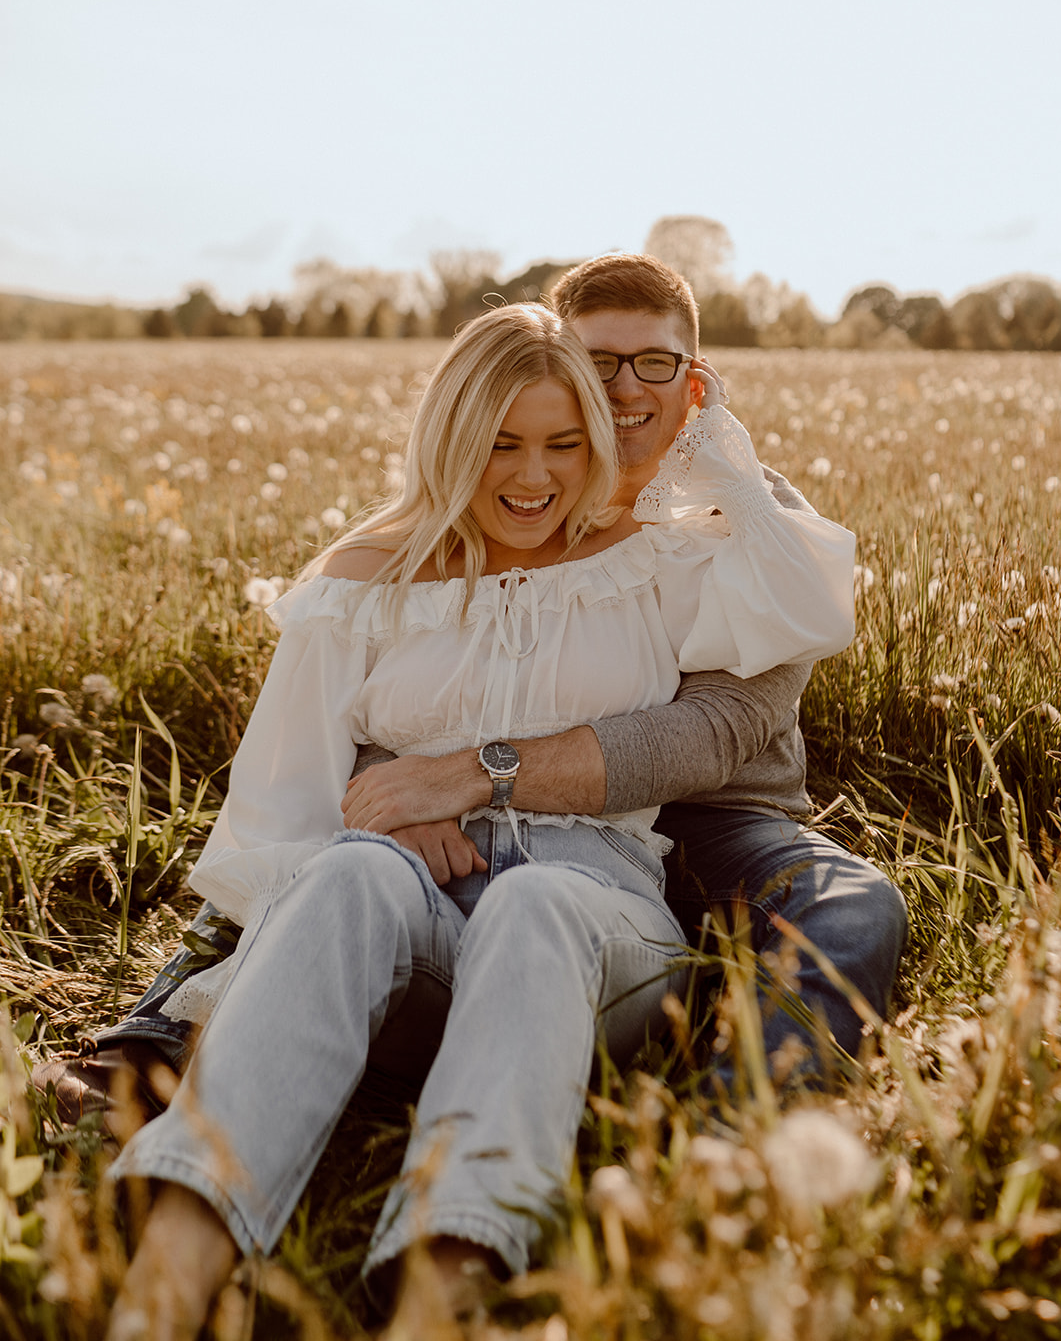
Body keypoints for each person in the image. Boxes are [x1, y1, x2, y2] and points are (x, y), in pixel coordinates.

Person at [103, 300, 856, 1338]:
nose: (534, 475)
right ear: (448, 437)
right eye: (501, 443)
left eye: (563, 443)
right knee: (347, 873)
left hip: (592, 916)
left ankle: (442, 1291)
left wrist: (715, 443)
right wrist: (379, 817)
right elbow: (277, 813)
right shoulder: (361, 582)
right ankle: (167, 1280)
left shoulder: (652, 560)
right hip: (406, 939)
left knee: (536, 901)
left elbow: (806, 604)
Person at [35, 253, 906, 1122]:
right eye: (595, 361)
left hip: (715, 822)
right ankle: (162, 1037)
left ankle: (737, 1127)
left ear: (695, 380)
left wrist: (466, 775)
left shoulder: (746, 515)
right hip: (512, 832)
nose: (623, 388)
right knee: (324, 859)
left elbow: (721, 729)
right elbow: (407, 688)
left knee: (852, 906)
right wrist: (394, 789)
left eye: (654, 361)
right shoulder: (508, 501)